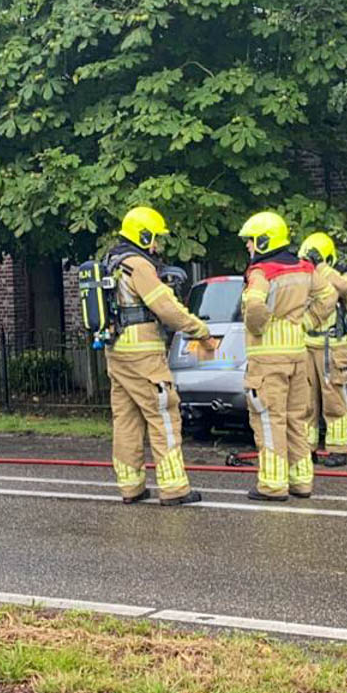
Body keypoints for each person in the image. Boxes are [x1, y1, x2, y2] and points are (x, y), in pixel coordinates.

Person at [100, 206, 216, 505]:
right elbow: (166, 308)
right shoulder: (138, 265)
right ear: (143, 235)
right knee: (164, 413)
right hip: (143, 355)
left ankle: (131, 487)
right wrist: (201, 330)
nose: (156, 246)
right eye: (154, 238)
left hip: (117, 351)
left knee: (126, 420)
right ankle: (175, 488)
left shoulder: (112, 262)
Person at [238, 211, 335, 500]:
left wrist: (258, 328)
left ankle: (272, 485)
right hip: (297, 354)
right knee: (296, 419)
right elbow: (329, 296)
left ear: (264, 241)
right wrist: (306, 322)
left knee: (269, 420)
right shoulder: (305, 268)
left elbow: (255, 308)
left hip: (268, 359)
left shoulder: (261, 273)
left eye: (251, 240)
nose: (248, 246)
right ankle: (301, 481)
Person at [301, 232, 347, 467]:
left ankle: (338, 449)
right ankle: (307, 448)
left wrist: (322, 267)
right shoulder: (307, 276)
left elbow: (346, 287)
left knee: (334, 401)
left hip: (332, 348)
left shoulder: (339, 277)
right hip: (307, 345)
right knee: (306, 402)